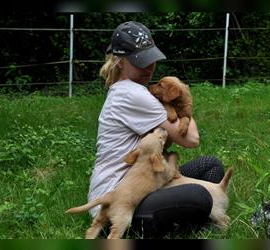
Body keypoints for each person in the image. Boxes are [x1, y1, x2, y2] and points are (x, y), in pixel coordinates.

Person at [88, 20, 225, 238]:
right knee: (200, 195)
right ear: (120, 62)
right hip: (123, 201)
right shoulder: (133, 93)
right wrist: (182, 98)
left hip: (149, 181)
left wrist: (177, 101)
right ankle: (152, 226)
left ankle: (182, 217)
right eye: (140, 61)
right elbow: (191, 139)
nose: (148, 67)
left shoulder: (130, 90)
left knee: (211, 166)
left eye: (150, 59)